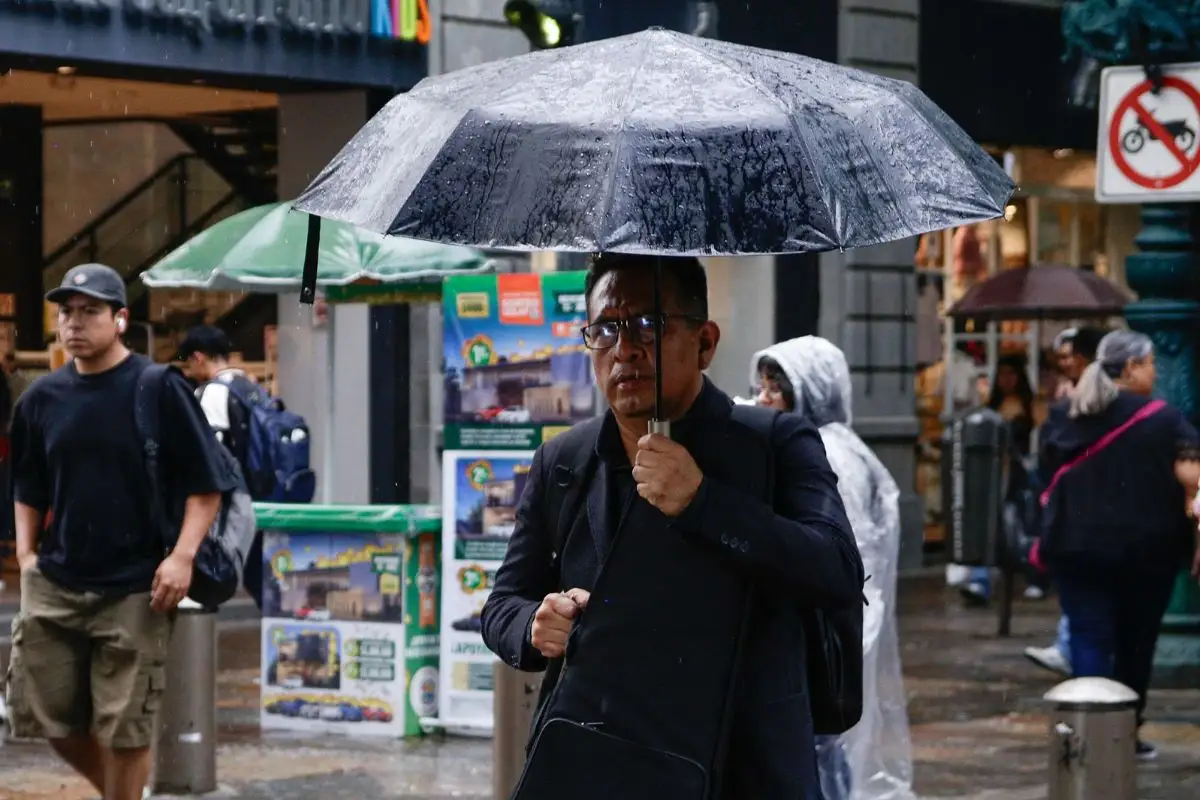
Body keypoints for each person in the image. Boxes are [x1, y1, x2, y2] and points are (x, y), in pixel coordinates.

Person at [480, 254, 863, 799]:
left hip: (743, 767)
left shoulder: (776, 444)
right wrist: (534, 626)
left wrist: (702, 502)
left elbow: (838, 570)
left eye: (649, 325)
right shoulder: (565, 463)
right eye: (606, 329)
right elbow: (503, 604)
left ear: (705, 342)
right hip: (604, 765)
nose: (626, 349)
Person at [5, 263, 236, 800]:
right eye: (66, 312)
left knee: (126, 728)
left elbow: (207, 485)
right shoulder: (41, 399)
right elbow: (27, 485)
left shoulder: (157, 387)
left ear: (121, 319)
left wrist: (181, 557)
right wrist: (25, 553)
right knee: (44, 718)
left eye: (90, 312)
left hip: (136, 586)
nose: (74, 323)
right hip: (57, 582)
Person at [751, 336, 916, 800]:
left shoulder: (826, 454)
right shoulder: (813, 446)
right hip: (828, 624)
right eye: (761, 387)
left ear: (807, 391)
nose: (763, 398)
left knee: (817, 742)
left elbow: (844, 550)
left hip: (826, 627)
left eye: (773, 389)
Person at [1039, 330, 1200, 761]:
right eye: (1149, 363)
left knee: (1089, 640)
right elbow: (1193, 477)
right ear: (1131, 368)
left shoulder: (1063, 415)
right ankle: (1125, 733)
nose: (1153, 371)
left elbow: (1045, 475)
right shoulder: (1165, 420)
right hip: (1147, 554)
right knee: (1135, 644)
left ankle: (1092, 735)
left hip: (1076, 550)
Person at [1024, 325, 1107, 676]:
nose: (1067, 362)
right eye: (1062, 357)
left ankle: (1074, 655)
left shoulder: (1083, 402)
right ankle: (1069, 650)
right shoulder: (1062, 403)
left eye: (1072, 354)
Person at [179, 324, 266, 607]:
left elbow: (208, 455)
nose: (188, 370)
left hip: (228, 497)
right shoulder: (250, 386)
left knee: (217, 570)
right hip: (257, 491)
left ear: (199, 357)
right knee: (258, 575)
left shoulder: (212, 393)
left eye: (188, 362)